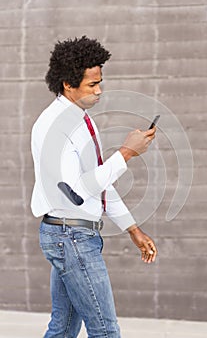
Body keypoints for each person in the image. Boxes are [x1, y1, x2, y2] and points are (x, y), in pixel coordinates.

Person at [31, 36, 158, 338]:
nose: (99, 90)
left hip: (73, 235)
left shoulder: (79, 119)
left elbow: (98, 182)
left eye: (100, 82)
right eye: (91, 85)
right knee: (105, 331)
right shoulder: (55, 126)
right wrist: (126, 152)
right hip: (71, 237)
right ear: (67, 84)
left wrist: (132, 228)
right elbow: (77, 189)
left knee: (62, 330)